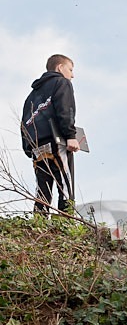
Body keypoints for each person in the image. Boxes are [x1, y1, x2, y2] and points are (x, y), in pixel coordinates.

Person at [21, 54, 80, 215]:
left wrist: (27, 147)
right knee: (65, 184)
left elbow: (24, 122)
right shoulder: (62, 82)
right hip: (56, 141)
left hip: (36, 145)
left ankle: (39, 222)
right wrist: (71, 135)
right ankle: (65, 223)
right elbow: (65, 109)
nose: (72, 75)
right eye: (70, 69)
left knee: (43, 188)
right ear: (60, 67)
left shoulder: (31, 96)